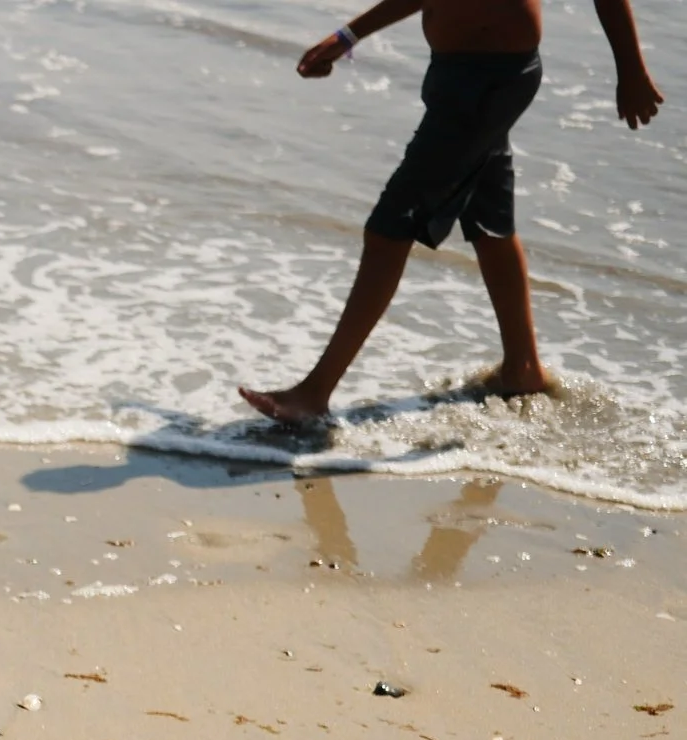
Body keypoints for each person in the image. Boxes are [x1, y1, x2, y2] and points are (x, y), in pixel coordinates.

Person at [238, 0, 663, 425]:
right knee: (489, 221)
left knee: (389, 229)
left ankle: (313, 394)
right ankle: (523, 367)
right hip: (467, 75)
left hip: (486, 82)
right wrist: (348, 36)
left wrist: (631, 69)